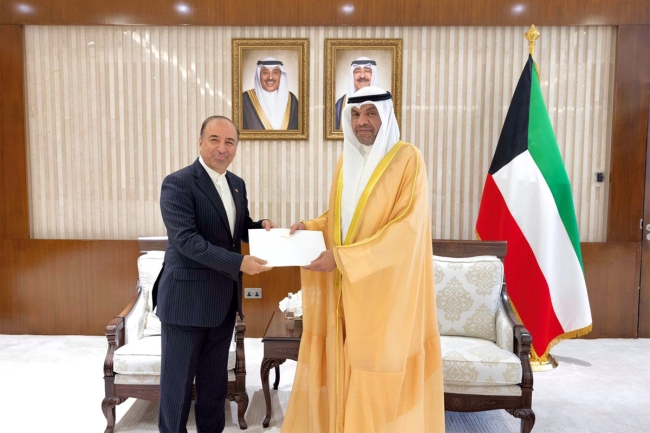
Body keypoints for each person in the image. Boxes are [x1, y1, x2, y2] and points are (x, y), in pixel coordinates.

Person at [283, 86, 445, 432]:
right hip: (347, 288)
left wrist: (343, 259)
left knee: (379, 375)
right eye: (355, 114)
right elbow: (340, 219)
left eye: (371, 113)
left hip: (386, 291)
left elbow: (407, 229)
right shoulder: (347, 161)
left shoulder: (408, 158)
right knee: (345, 369)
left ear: (386, 116)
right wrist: (311, 227)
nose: (362, 122)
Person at [153, 115, 276, 433]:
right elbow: (186, 241)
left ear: (236, 147)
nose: (222, 148)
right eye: (214, 140)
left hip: (222, 302)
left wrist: (260, 227)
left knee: (213, 388)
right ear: (200, 142)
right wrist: (239, 263)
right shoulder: (178, 183)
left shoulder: (237, 184)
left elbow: (237, 228)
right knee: (177, 390)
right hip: (186, 303)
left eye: (229, 142)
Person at [242, 57, 299, 130]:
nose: (270, 77)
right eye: (265, 72)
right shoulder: (245, 99)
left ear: (281, 75)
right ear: (259, 75)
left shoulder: (292, 99)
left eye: (275, 72)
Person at [334, 56, 378, 130]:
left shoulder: (385, 103)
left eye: (367, 71)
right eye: (357, 72)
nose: (362, 76)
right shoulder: (340, 104)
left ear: (374, 75)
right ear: (352, 76)